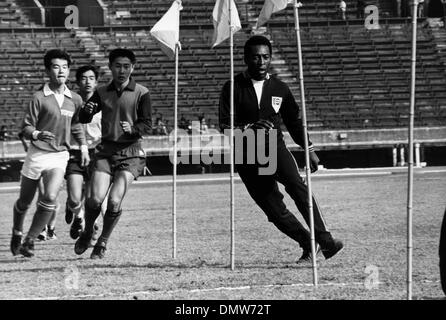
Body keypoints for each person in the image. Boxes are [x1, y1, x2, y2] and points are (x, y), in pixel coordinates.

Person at [219, 36, 343, 264]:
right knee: (275, 211)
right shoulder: (232, 87)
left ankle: (326, 240)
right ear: (246, 58)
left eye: (266, 56)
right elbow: (225, 126)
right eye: (256, 57)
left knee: (298, 188)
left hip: (275, 150)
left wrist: (309, 149)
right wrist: (248, 128)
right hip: (247, 156)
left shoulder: (280, 88)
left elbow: (294, 123)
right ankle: (308, 243)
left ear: (271, 58)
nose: (261, 61)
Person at [10, 49, 88, 258]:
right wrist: (37, 133)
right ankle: (17, 231)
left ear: (69, 70)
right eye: (56, 66)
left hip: (59, 155)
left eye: (64, 67)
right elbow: (26, 127)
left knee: (51, 196)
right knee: (24, 202)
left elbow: (77, 125)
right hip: (36, 155)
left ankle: (30, 240)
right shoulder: (39, 97)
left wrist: (83, 146)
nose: (61, 71)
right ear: (48, 70)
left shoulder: (76, 99)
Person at [75, 48, 152, 259]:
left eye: (126, 66)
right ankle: (88, 231)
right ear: (110, 67)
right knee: (93, 200)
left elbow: (147, 124)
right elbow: (83, 118)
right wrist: (86, 111)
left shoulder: (142, 93)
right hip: (105, 152)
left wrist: (134, 129)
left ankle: (103, 242)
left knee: (115, 201)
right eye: (118, 65)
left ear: (133, 68)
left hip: (132, 152)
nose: (122, 70)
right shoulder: (101, 92)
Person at [64, 65, 103, 241]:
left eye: (91, 78)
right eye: (84, 78)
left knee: (93, 197)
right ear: (78, 81)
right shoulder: (70, 101)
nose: (87, 82)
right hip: (74, 151)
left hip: (97, 152)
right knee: (74, 198)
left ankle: (89, 225)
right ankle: (78, 215)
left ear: (96, 81)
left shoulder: (103, 104)